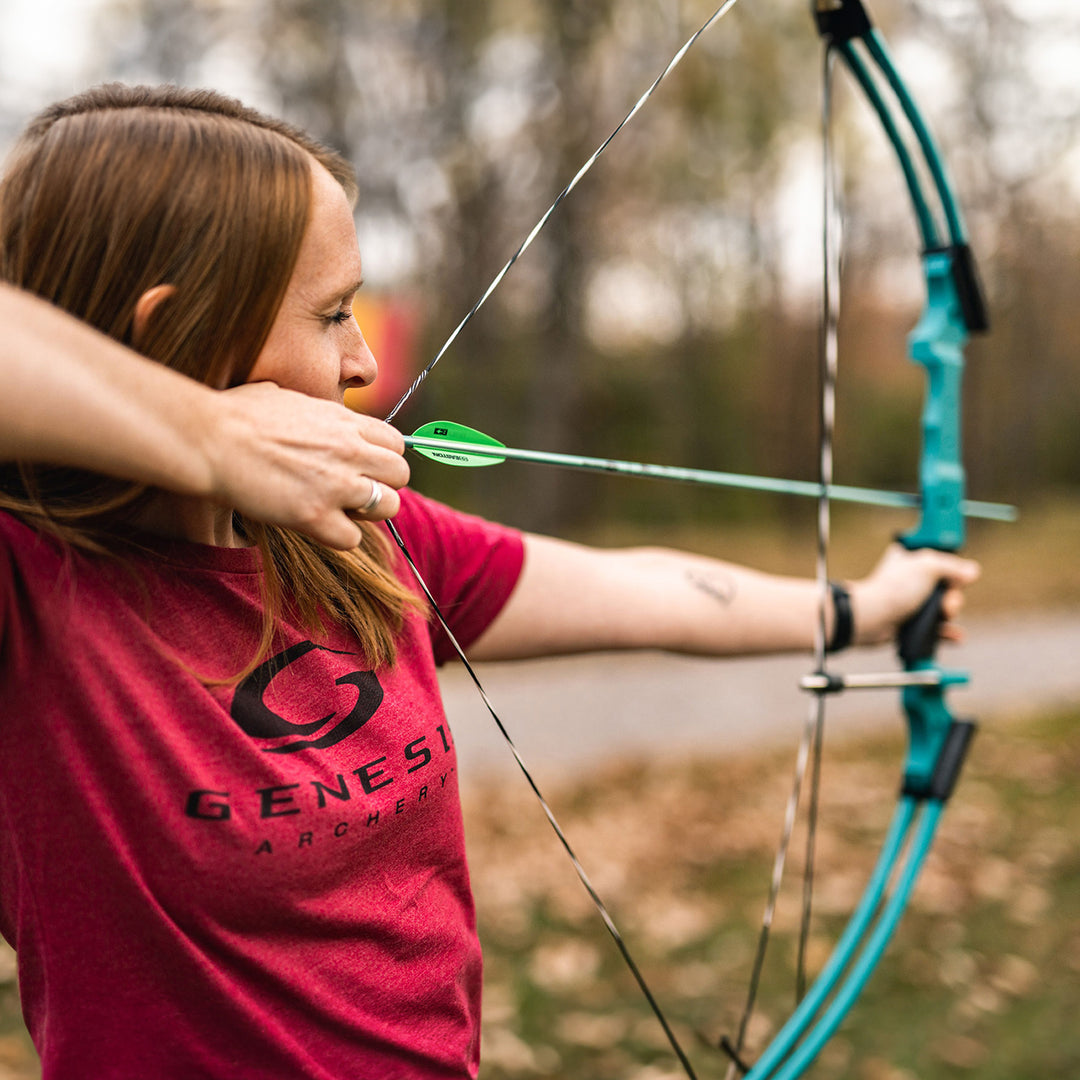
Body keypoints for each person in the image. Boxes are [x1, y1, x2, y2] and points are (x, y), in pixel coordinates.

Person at [0, 84, 978, 1080]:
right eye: (333, 313)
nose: (364, 359)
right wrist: (206, 435)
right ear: (184, 335)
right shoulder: (29, 592)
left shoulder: (356, 541)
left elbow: (648, 590)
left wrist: (869, 608)